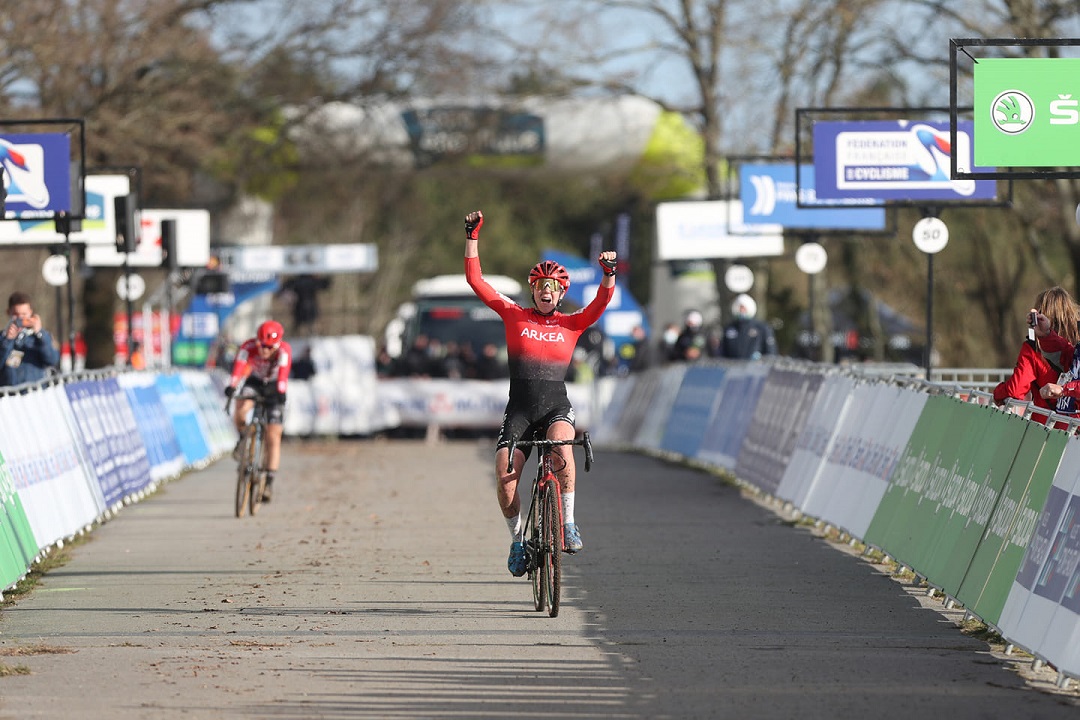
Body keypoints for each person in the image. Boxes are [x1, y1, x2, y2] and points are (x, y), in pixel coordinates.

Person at [463, 210, 616, 577]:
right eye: (540, 286)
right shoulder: (514, 315)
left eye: (553, 287)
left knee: (563, 449)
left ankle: (568, 523)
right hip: (519, 408)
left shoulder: (571, 323)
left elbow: (600, 304)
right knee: (504, 474)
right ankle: (518, 541)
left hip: (555, 408)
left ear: (561, 293)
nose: (545, 292)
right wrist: (472, 236)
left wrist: (609, 274)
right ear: (533, 290)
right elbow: (476, 281)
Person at [224, 320, 292, 503]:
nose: (264, 351)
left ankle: (268, 482)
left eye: (269, 348)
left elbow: (283, 374)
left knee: (273, 435)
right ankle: (244, 437)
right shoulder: (248, 346)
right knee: (241, 407)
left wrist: (281, 393)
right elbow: (238, 367)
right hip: (254, 382)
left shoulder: (284, 351)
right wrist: (232, 385)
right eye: (261, 345)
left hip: (273, 386)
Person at [993, 287, 1078, 424]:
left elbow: (1016, 389)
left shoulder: (1033, 348)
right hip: (1076, 425)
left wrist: (997, 393)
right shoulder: (1076, 343)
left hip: (1047, 425)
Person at [1, 291, 59, 387]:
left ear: (31, 313)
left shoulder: (41, 337)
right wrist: (7, 340)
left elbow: (52, 360)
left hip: (34, 394)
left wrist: (40, 334)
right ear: (8, 312)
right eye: (16, 314)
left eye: (24, 314)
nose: (20, 318)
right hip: (9, 396)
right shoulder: (2, 338)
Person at [721, 293, 778, 360]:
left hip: (756, 368)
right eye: (739, 308)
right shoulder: (729, 329)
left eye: (743, 308)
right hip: (735, 368)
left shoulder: (762, 328)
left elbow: (771, 352)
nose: (741, 311)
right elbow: (723, 353)